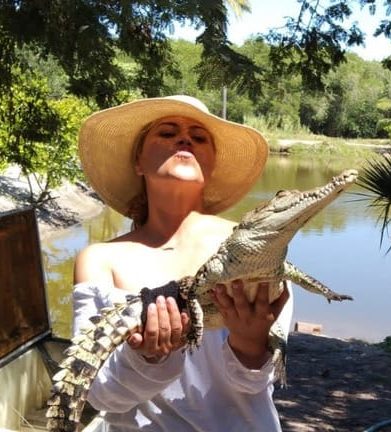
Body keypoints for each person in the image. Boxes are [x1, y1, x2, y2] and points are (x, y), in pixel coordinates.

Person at [72, 95, 293, 431]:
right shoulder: (99, 259)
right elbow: (99, 396)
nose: (184, 139)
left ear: (211, 164)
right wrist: (146, 358)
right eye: (167, 132)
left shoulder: (256, 245)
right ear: (138, 161)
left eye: (199, 137)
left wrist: (251, 345)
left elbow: (254, 384)